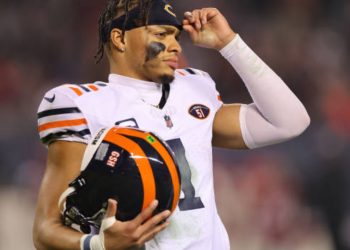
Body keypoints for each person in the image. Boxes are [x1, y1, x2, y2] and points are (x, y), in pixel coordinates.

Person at [33, 0, 310, 249]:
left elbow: (289, 122)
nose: (176, 45)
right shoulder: (81, 104)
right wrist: (99, 245)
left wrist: (230, 44)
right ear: (119, 38)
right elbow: (46, 229)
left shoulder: (193, 88)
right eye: (161, 34)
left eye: (176, 36)